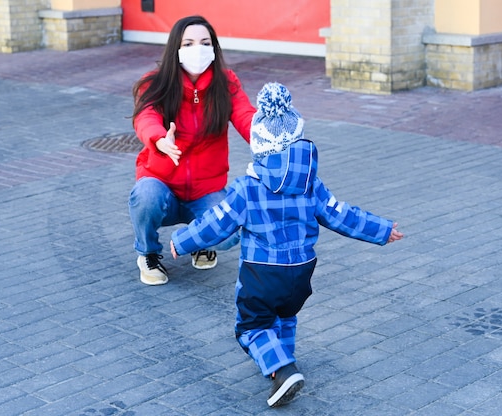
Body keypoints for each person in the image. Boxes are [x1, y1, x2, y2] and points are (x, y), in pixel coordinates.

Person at [170, 82, 404, 407]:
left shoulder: (247, 189)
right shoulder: (311, 184)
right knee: (285, 316)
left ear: (258, 145)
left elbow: (216, 222)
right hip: (301, 273)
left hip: (262, 272)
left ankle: (281, 369)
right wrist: (382, 230)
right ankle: (284, 365)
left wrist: (181, 240)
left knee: (251, 327)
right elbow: (341, 215)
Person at [129, 15, 257, 285]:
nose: (196, 49)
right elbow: (145, 117)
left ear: (214, 48)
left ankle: (202, 241)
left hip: (205, 190)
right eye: (188, 43)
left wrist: (269, 138)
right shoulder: (155, 82)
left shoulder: (226, 83)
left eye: (204, 42)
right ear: (176, 48)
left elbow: (245, 116)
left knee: (231, 230)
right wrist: (160, 139)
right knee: (145, 195)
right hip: (163, 184)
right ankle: (148, 252)